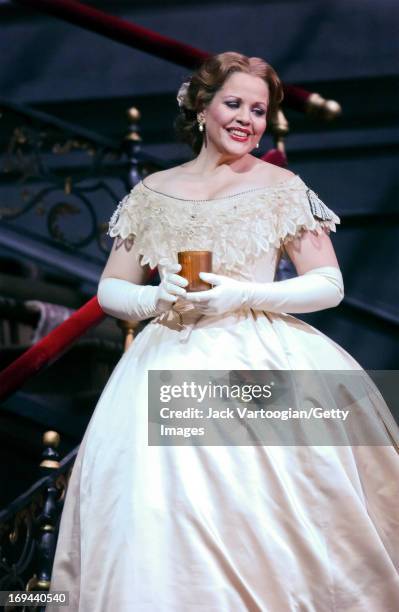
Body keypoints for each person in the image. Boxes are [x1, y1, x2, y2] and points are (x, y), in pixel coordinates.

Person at [48, 52, 399, 611]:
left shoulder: (281, 186)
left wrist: (247, 294)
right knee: (156, 509)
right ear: (201, 108)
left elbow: (328, 283)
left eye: (258, 110)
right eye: (234, 103)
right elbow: (110, 289)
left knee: (260, 506)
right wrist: (150, 296)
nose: (247, 119)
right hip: (166, 354)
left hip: (254, 353)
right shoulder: (153, 191)